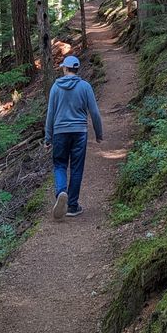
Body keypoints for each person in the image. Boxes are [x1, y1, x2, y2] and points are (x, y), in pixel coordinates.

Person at [44, 55, 103, 221]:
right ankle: (72, 205)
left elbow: (50, 114)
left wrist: (48, 138)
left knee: (60, 165)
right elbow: (95, 113)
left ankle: (61, 191)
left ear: (65, 68)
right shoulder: (85, 87)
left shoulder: (56, 87)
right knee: (76, 168)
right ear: (76, 69)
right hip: (79, 132)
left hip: (60, 132)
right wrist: (98, 133)